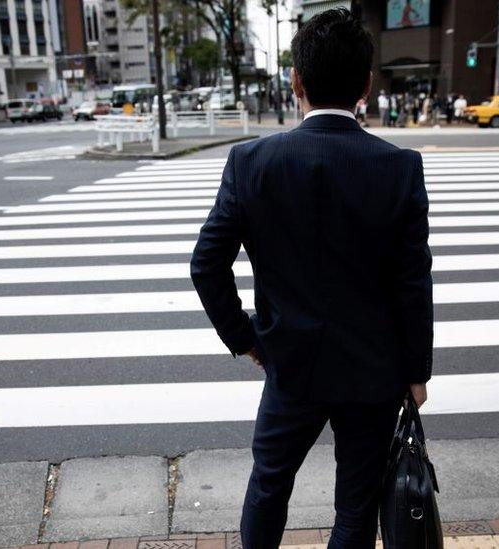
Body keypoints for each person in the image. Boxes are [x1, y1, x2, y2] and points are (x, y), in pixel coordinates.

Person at [190, 8, 433, 549]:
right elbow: (413, 280)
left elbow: (206, 264)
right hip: (373, 371)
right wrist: (417, 371)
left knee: (269, 487)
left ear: (296, 80)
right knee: (356, 507)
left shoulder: (251, 162)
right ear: (366, 86)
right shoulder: (399, 167)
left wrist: (246, 339)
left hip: (290, 366)